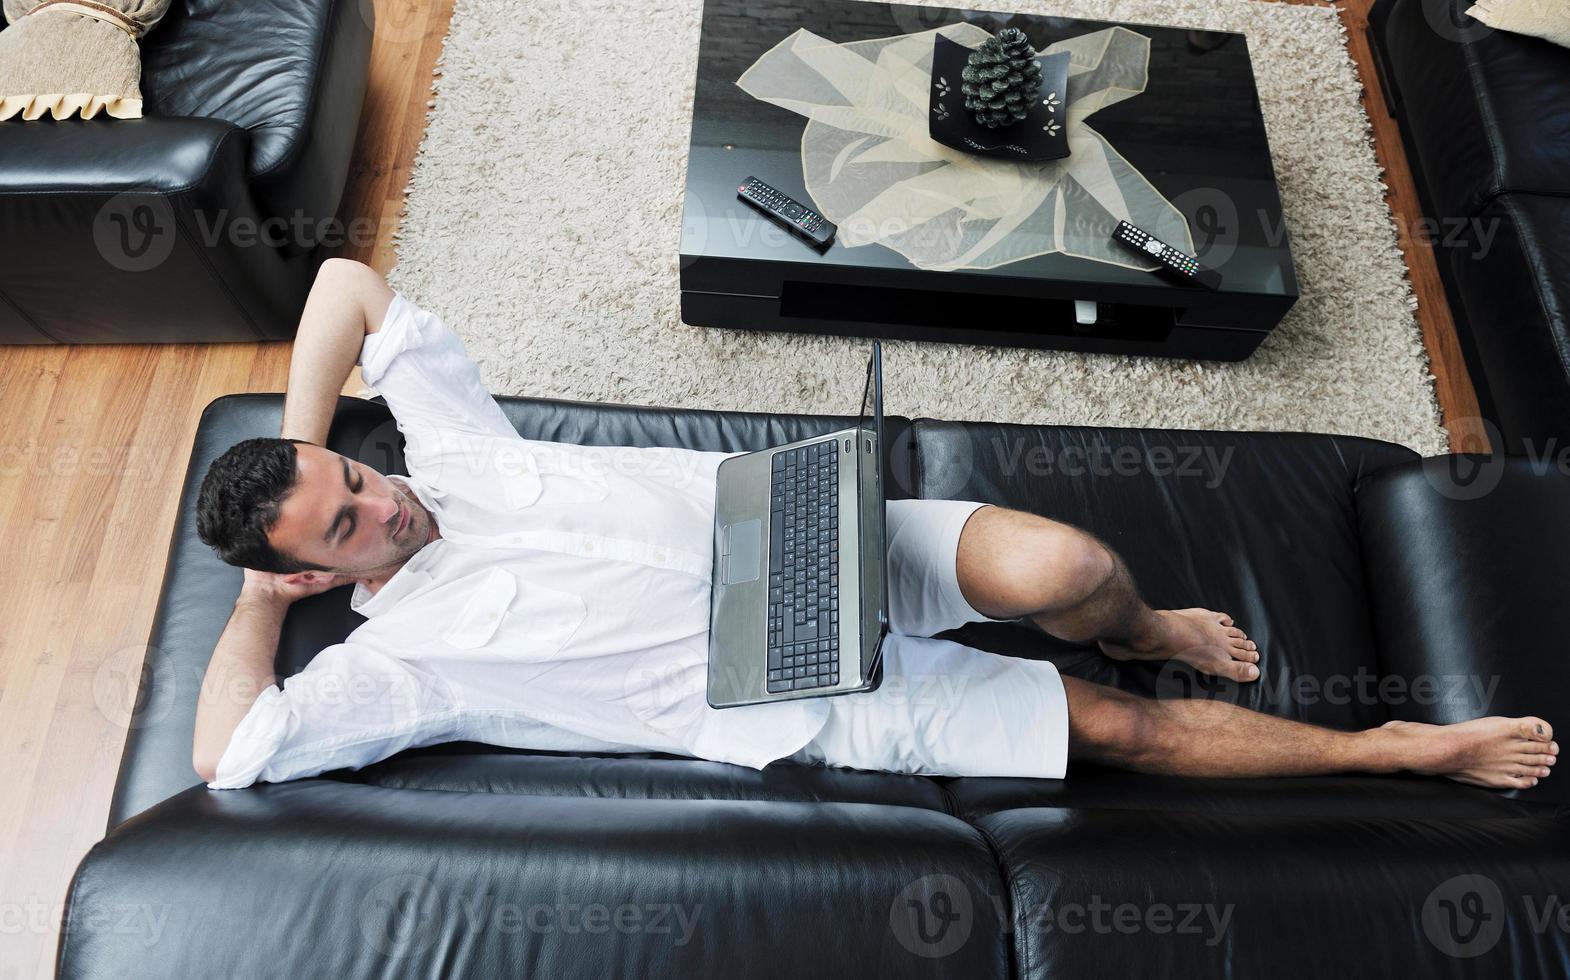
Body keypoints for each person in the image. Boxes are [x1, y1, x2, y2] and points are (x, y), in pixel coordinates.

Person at [191, 259, 1556, 792]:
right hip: (793, 694)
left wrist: (310, 436)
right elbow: (236, 755)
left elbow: (344, 285)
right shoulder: (400, 662)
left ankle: (1140, 624)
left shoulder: (451, 453)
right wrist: (257, 613)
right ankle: (1399, 749)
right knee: (1115, 728)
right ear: (313, 572)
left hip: (811, 531)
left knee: (1069, 571)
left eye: (358, 483)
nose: (384, 503)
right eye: (347, 526)